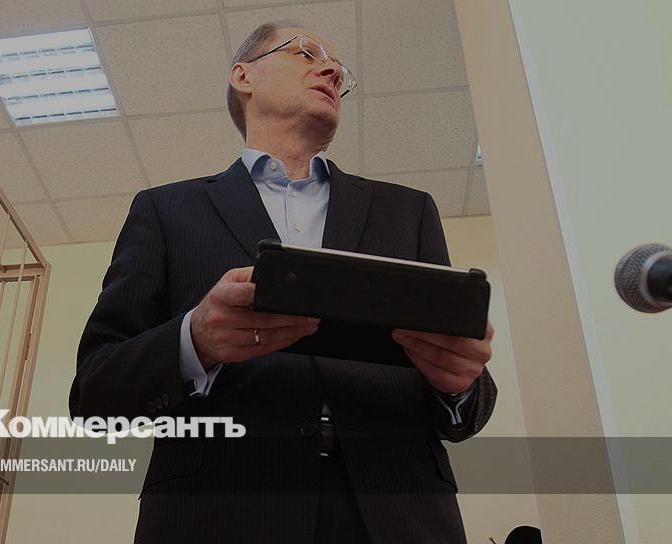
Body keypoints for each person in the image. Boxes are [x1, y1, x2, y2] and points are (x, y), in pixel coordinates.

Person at [70, 20, 497, 544]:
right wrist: (194, 341)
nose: (332, 71)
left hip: (400, 514)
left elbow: (466, 407)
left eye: (340, 70)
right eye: (306, 53)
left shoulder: (408, 211)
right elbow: (93, 400)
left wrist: (460, 383)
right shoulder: (165, 210)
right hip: (217, 514)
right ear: (243, 76)